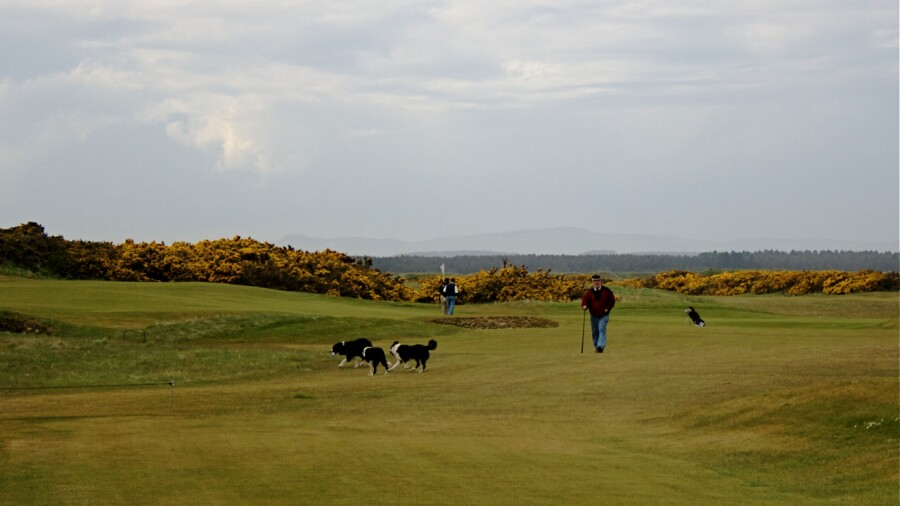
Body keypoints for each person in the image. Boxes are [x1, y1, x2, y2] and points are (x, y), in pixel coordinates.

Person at [581, 274, 615, 353]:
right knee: (595, 332)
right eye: (595, 281)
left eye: (598, 281)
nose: (597, 282)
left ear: (601, 281)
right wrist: (584, 306)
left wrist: (607, 308)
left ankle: (600, 346)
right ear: (592, 282)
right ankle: (597, 347)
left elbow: (612, 301)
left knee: (601, 329)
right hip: (593, 316)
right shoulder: (589, 293)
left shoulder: (607, 291)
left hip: (604, 315)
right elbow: (585, 301)